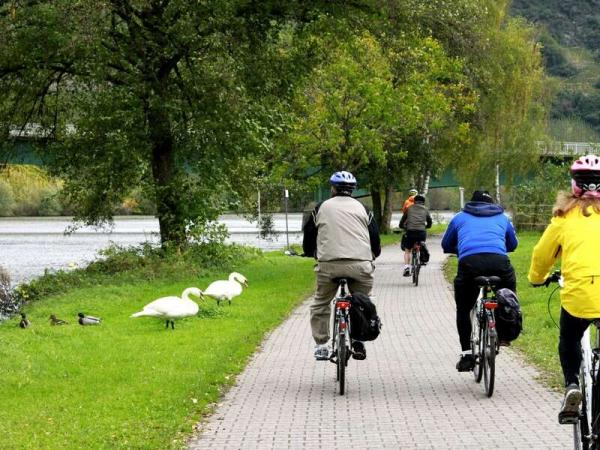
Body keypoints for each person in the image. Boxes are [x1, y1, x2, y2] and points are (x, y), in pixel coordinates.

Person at [528, 154, 600, 423]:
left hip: (579, 295)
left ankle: (571, 384)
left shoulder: (564, 218)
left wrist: (536, 277)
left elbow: (541, 255)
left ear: (575, 185)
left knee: (569, 339)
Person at [303, 170, 381, 361]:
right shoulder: (364, 209)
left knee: (321, 303)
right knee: (364, 300)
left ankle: (321, 344)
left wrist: (311, 253)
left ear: (332, 188)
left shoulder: (320, 207)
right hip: (360, 265)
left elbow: (309, 236)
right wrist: (371, 256)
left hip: (329, 265)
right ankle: (358, 340)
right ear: (353, 190)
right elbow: (375, 239)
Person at [441, 190, 518, 372]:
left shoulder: (459, 217)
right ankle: (505, 333)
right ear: (492, 203)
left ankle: (467, 355)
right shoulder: (502, 217)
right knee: (509, 294)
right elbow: (513, 244)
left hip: (469, 263)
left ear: (471, 203)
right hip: (499, 262)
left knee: (463, 309)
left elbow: (446, 244)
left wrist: (461, 249)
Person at [399, 194, 432, 277]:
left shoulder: (409, 208)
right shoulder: (425, 209)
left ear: (414, 201)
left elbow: (402, 220)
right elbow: (429, 220)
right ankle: (422, 253)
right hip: (421, 232)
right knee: (421, 244)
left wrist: (402, 226)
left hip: (410, 232)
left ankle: (407, 267)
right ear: (423, 202)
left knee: (407, 250)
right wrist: (428, 226)